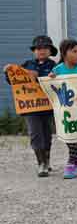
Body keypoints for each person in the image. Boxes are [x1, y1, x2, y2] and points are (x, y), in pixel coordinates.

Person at [3, 36, 57, 177]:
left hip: (48, 107)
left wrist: (44, 77)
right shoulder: (26, 65)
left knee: (47, 134)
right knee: (35, 134)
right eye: (38, 48)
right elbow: (14, 81)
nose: (41, 51)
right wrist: (7, 71)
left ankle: (47, 160)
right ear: (34, 51)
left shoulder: (54, 66)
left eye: (45, 48)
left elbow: (58, 81)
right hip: (30, 108)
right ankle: (41, 163)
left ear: (50, 51)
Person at [49, 39, 77, 178]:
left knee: (75, 134)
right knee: (68, 135)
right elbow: (51, 85)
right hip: (64, 110)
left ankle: (71, 162)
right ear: (64, 53)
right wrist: (51, 78)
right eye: (74, 51)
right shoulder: (57, 70)